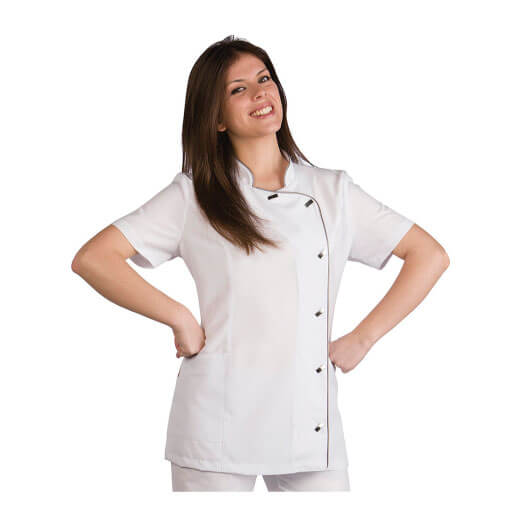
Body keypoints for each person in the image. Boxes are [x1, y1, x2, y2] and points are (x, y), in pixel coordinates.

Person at [71, 35, 450, 492]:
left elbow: (429, 255)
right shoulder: (193, 195)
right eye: (238, 89)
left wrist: (363, 338)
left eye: (264, 79)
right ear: (215, 119)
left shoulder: (334, 192)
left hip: (309, 422)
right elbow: (94, 258)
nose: (259, 93)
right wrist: (179, 317)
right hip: (216, 420)